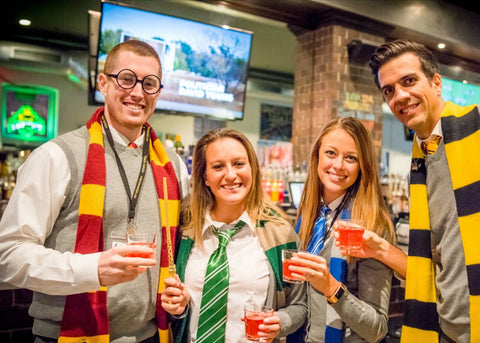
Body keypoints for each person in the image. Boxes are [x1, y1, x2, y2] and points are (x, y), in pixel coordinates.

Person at [0, 40, 189, 343]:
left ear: (158, 92)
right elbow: (8, 255)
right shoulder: (57, 155)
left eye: (150, 84)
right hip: (68, 336)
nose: (138, 92)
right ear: (103, 82)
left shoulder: (174, 166)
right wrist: (94, 268)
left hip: (152, 335)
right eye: (127, 79)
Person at [366, 39, 480, 343]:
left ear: (436, 82)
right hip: (449, 329)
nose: (400, 96)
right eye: (389, 90)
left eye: (409, 81)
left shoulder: (476, 130)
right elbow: (432, 261)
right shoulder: (421, 165)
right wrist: (378, 248)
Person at [160, 128, 306, 343]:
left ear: (253, 169)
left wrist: (281, 321)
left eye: (239, 164)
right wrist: (177, 308)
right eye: (218, 166)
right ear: (205, 177)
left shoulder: (280, 234)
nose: (230, 175)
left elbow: (300, 305)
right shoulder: (184, 229)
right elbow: (173, 310)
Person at [287, 116, 396, 342]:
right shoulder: (307, 216)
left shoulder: (372, 225)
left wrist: (332, 288)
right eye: (331, 153)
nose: (338, 165)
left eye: (351, 158)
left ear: (362, 166)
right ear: (317, 155)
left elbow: (376, 329)